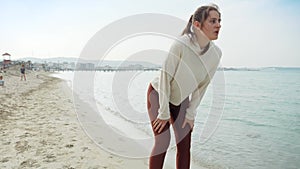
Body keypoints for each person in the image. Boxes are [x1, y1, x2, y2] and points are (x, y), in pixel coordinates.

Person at [147, 4, 222, 169]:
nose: (218, 25)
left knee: (184, 145)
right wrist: (164, 113)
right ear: (197, 24)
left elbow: (202, 86)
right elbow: (165, 77)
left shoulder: (216, 54)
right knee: (162, 141)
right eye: (213, 21)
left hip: (181, 99)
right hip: (159, 93)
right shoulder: (181, 44)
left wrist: (191, 113)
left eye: (219, 20)